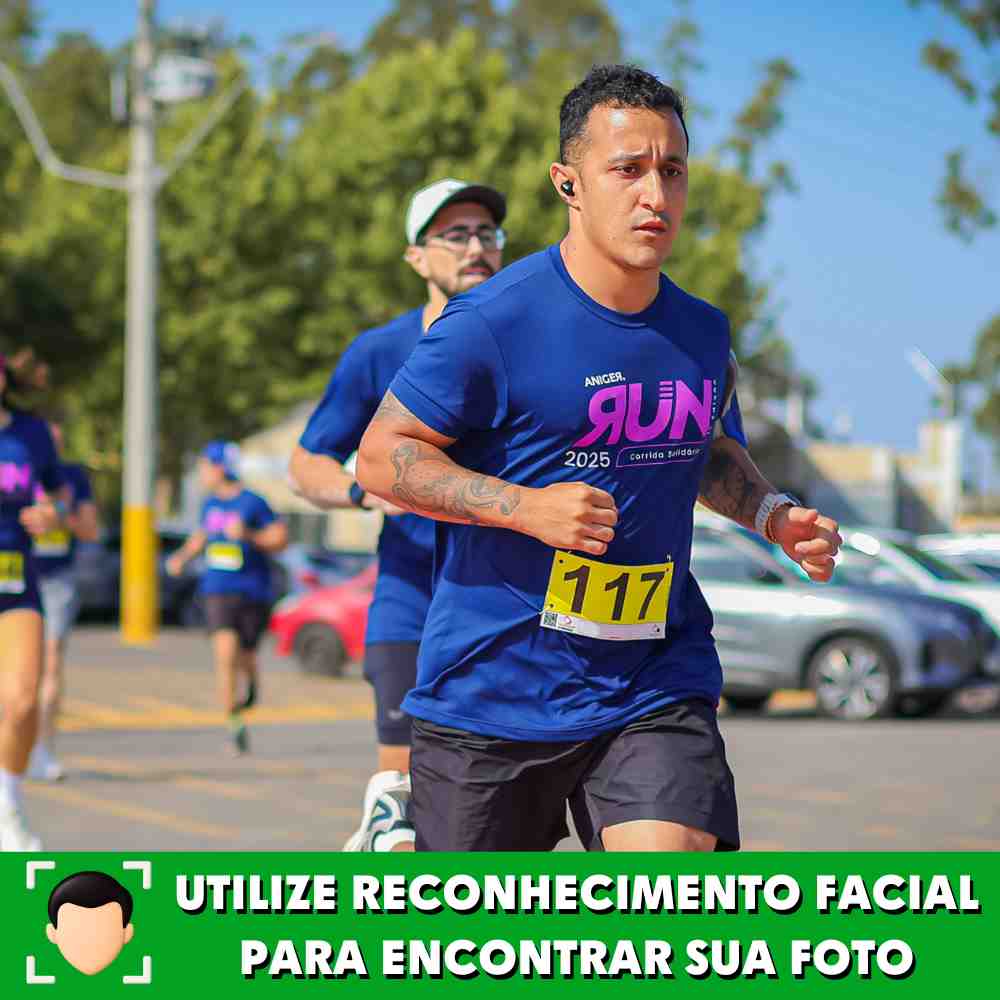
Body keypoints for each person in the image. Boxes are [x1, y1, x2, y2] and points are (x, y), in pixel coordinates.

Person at [356, 64, 843, 852]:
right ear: (568, 184)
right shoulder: (491, 322)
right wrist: (525, 507)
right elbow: (382, 460)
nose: (656, 195)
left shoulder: (702, 333)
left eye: (672, 170)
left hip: (652, 679)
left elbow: (710, 451)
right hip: (492, 691)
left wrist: (771, 515)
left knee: (667, 897)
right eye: (628, 169)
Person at [289, 178, 507, 852]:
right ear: (417, 257)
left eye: (487, 233)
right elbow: (307, 463)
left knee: (494, 814)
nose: (475, 246)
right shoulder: (379, 352)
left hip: (510, 600)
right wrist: (362, 490)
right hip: (412, 596)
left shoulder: (530, 338)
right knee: (407, 798)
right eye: (455, 234)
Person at [166, 442, 288, 755]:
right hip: (217, 589)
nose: (202, 472)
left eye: (205, 466)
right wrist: (182, 557)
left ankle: (252, 682)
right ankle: (234, 725)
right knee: (224, 654)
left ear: (221, 468)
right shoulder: (209, 504)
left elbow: (280, 538)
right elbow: (202, 535)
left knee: (245, 656)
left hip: (252, 591)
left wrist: (249, 535)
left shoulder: (253, 502)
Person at [0, 353, 67, 850]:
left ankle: (7, 807)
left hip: (15, 576)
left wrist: (50, 514)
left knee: (23, 702)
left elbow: (59, 497)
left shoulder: (32, 434)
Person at [30, 417, 100, 782]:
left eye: (54, 441)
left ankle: (43, 750)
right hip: (13, 574)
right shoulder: (14, 467)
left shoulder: (72, 478)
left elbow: (90, 529)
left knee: (51, 662)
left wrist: (58, 516)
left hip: (57, 581)